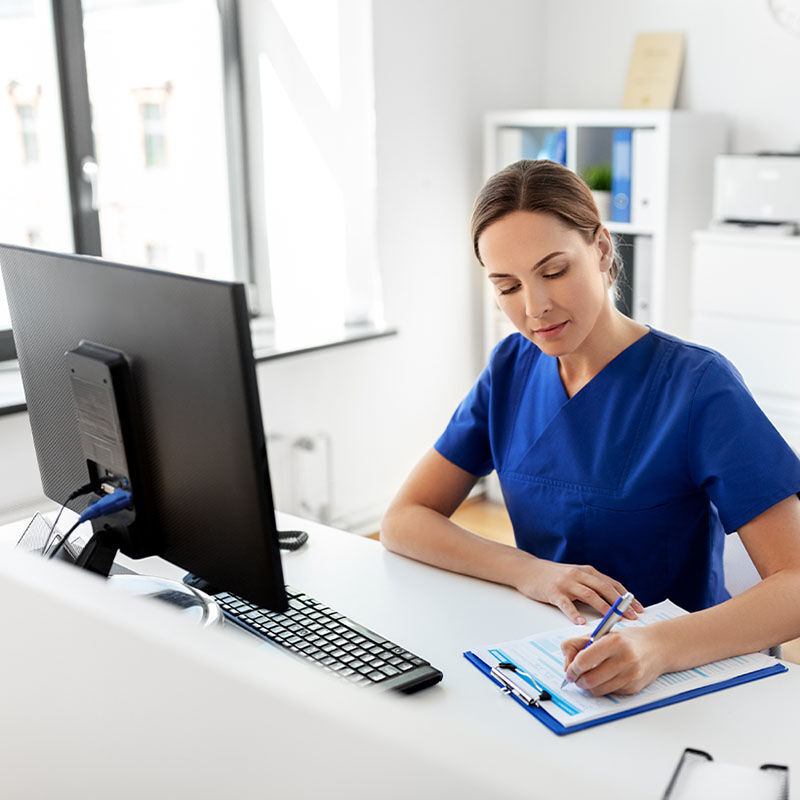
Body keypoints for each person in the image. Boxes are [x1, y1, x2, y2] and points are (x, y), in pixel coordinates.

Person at [380, 159, 800, 697]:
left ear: (602, 249)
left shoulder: (698, 386)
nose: (535, 308)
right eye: (507, 286)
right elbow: (403, 520)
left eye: (553, 271)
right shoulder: (511, 368)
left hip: (686, 670)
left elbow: (794, 585)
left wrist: (659, 646)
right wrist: (529, 571)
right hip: (553, 660)